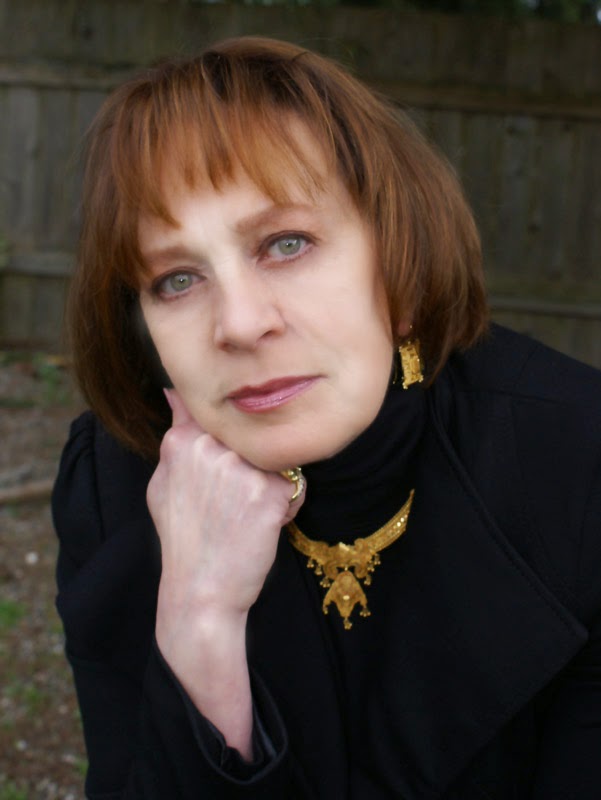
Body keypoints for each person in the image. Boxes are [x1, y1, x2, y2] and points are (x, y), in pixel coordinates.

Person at [52, 36, 601, 800]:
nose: (239, 324)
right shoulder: (114, 488)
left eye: (286, 243)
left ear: (400, 262)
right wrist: (199, 625)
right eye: (176, 279)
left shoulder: (577, 459)